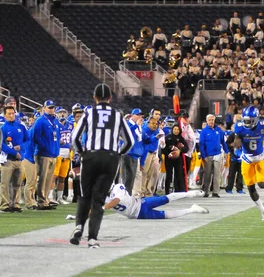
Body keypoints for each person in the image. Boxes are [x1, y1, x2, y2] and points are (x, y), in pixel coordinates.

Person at [69, 84, 135, 249]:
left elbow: (75, 138)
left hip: (91, 156)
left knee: (85, 195)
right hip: (110, 158)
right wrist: (118, 153)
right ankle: (92, 239)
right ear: (110, 99)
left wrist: (82, 153)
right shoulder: (117, 115)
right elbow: (130, 141)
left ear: (95, 97)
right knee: (98, 199)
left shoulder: (88, 113)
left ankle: (79, 227)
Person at [233, 106, 264, 221]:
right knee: (250, 187)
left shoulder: (263, 126)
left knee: (261, 184)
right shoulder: (240, 128)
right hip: (247, 160)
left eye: (249, 120)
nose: (246, 123)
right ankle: (263, 211)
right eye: (245, 120)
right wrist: (241, 154)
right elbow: (236, 146)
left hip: (260, 158)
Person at [103, 183, 208, 219]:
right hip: (138, 215)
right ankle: (192, 210)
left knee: (165, 198)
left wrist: (102, 208)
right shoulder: (103, 198)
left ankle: (190, 194)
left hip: (142, 203)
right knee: (166, 215)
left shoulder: (118, 187)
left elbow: (116, 200)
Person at [0, 106, 28, 212]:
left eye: (13, 113)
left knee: (18, 183)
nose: (11, 116)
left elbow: (28, 140)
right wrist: (14, 153)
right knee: (5, 183)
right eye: (9, 114)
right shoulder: (2, 128)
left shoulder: (21, 126)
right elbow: (1, 144)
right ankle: (4, 204)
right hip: (7, 160)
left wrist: (21, 147)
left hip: (19, 160)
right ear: (5, 116)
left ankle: (16, 204)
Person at [33, 100, 61, 210]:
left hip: (53, 154)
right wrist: (45, 147)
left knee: (49, 179)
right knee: (42, 178)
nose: (51, 109)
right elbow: (36, 136)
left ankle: (45, 199)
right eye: (49, 107)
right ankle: (41, 201)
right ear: (44, 108)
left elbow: (57, 137)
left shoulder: (55, 121)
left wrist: (56, 149)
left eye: (53, 107)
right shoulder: (40, 121)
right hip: (43, 154)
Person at [199, 114, 228, 198]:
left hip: (218, 154)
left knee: (217, 174)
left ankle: (215, 192)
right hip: (208, 155)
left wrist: (226, 151)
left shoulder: (219, 130)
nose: (211, 121)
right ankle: (206, 191)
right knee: (207, 174)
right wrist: (204, 156)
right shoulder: (204, 131)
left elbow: (223, 141)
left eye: (212, 119)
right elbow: (202, 144)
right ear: (207, 121)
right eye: (209, 120)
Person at [162, 124, 188, 194]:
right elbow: (163, 148)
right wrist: (168, 154)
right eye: (175, 129)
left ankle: (180, 190)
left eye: (178, 129)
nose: (176, 131)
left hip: (178, 159)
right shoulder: (167, 137)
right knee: (169, 174)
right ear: (172, 130)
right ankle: (167, 191)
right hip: (169, 159)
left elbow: (186, 148)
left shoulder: (181, 138)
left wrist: (180, 150)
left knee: (179, 174)